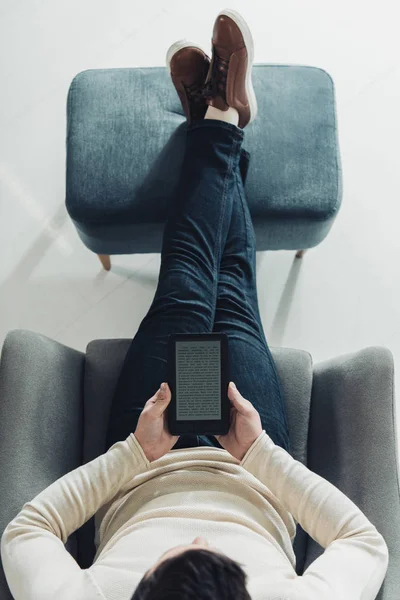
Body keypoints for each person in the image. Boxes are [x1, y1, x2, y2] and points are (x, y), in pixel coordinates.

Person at [1, 9, 388, 600]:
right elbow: (365, 544)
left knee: (186, 284)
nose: (202, 537)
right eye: (221, 558)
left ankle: (220, 120)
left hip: (144, 457)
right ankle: (220, 119)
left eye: (178, 553)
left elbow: (25, 533)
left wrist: (134, 454)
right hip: (253, 465)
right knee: (231, 289)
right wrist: (259, 455)